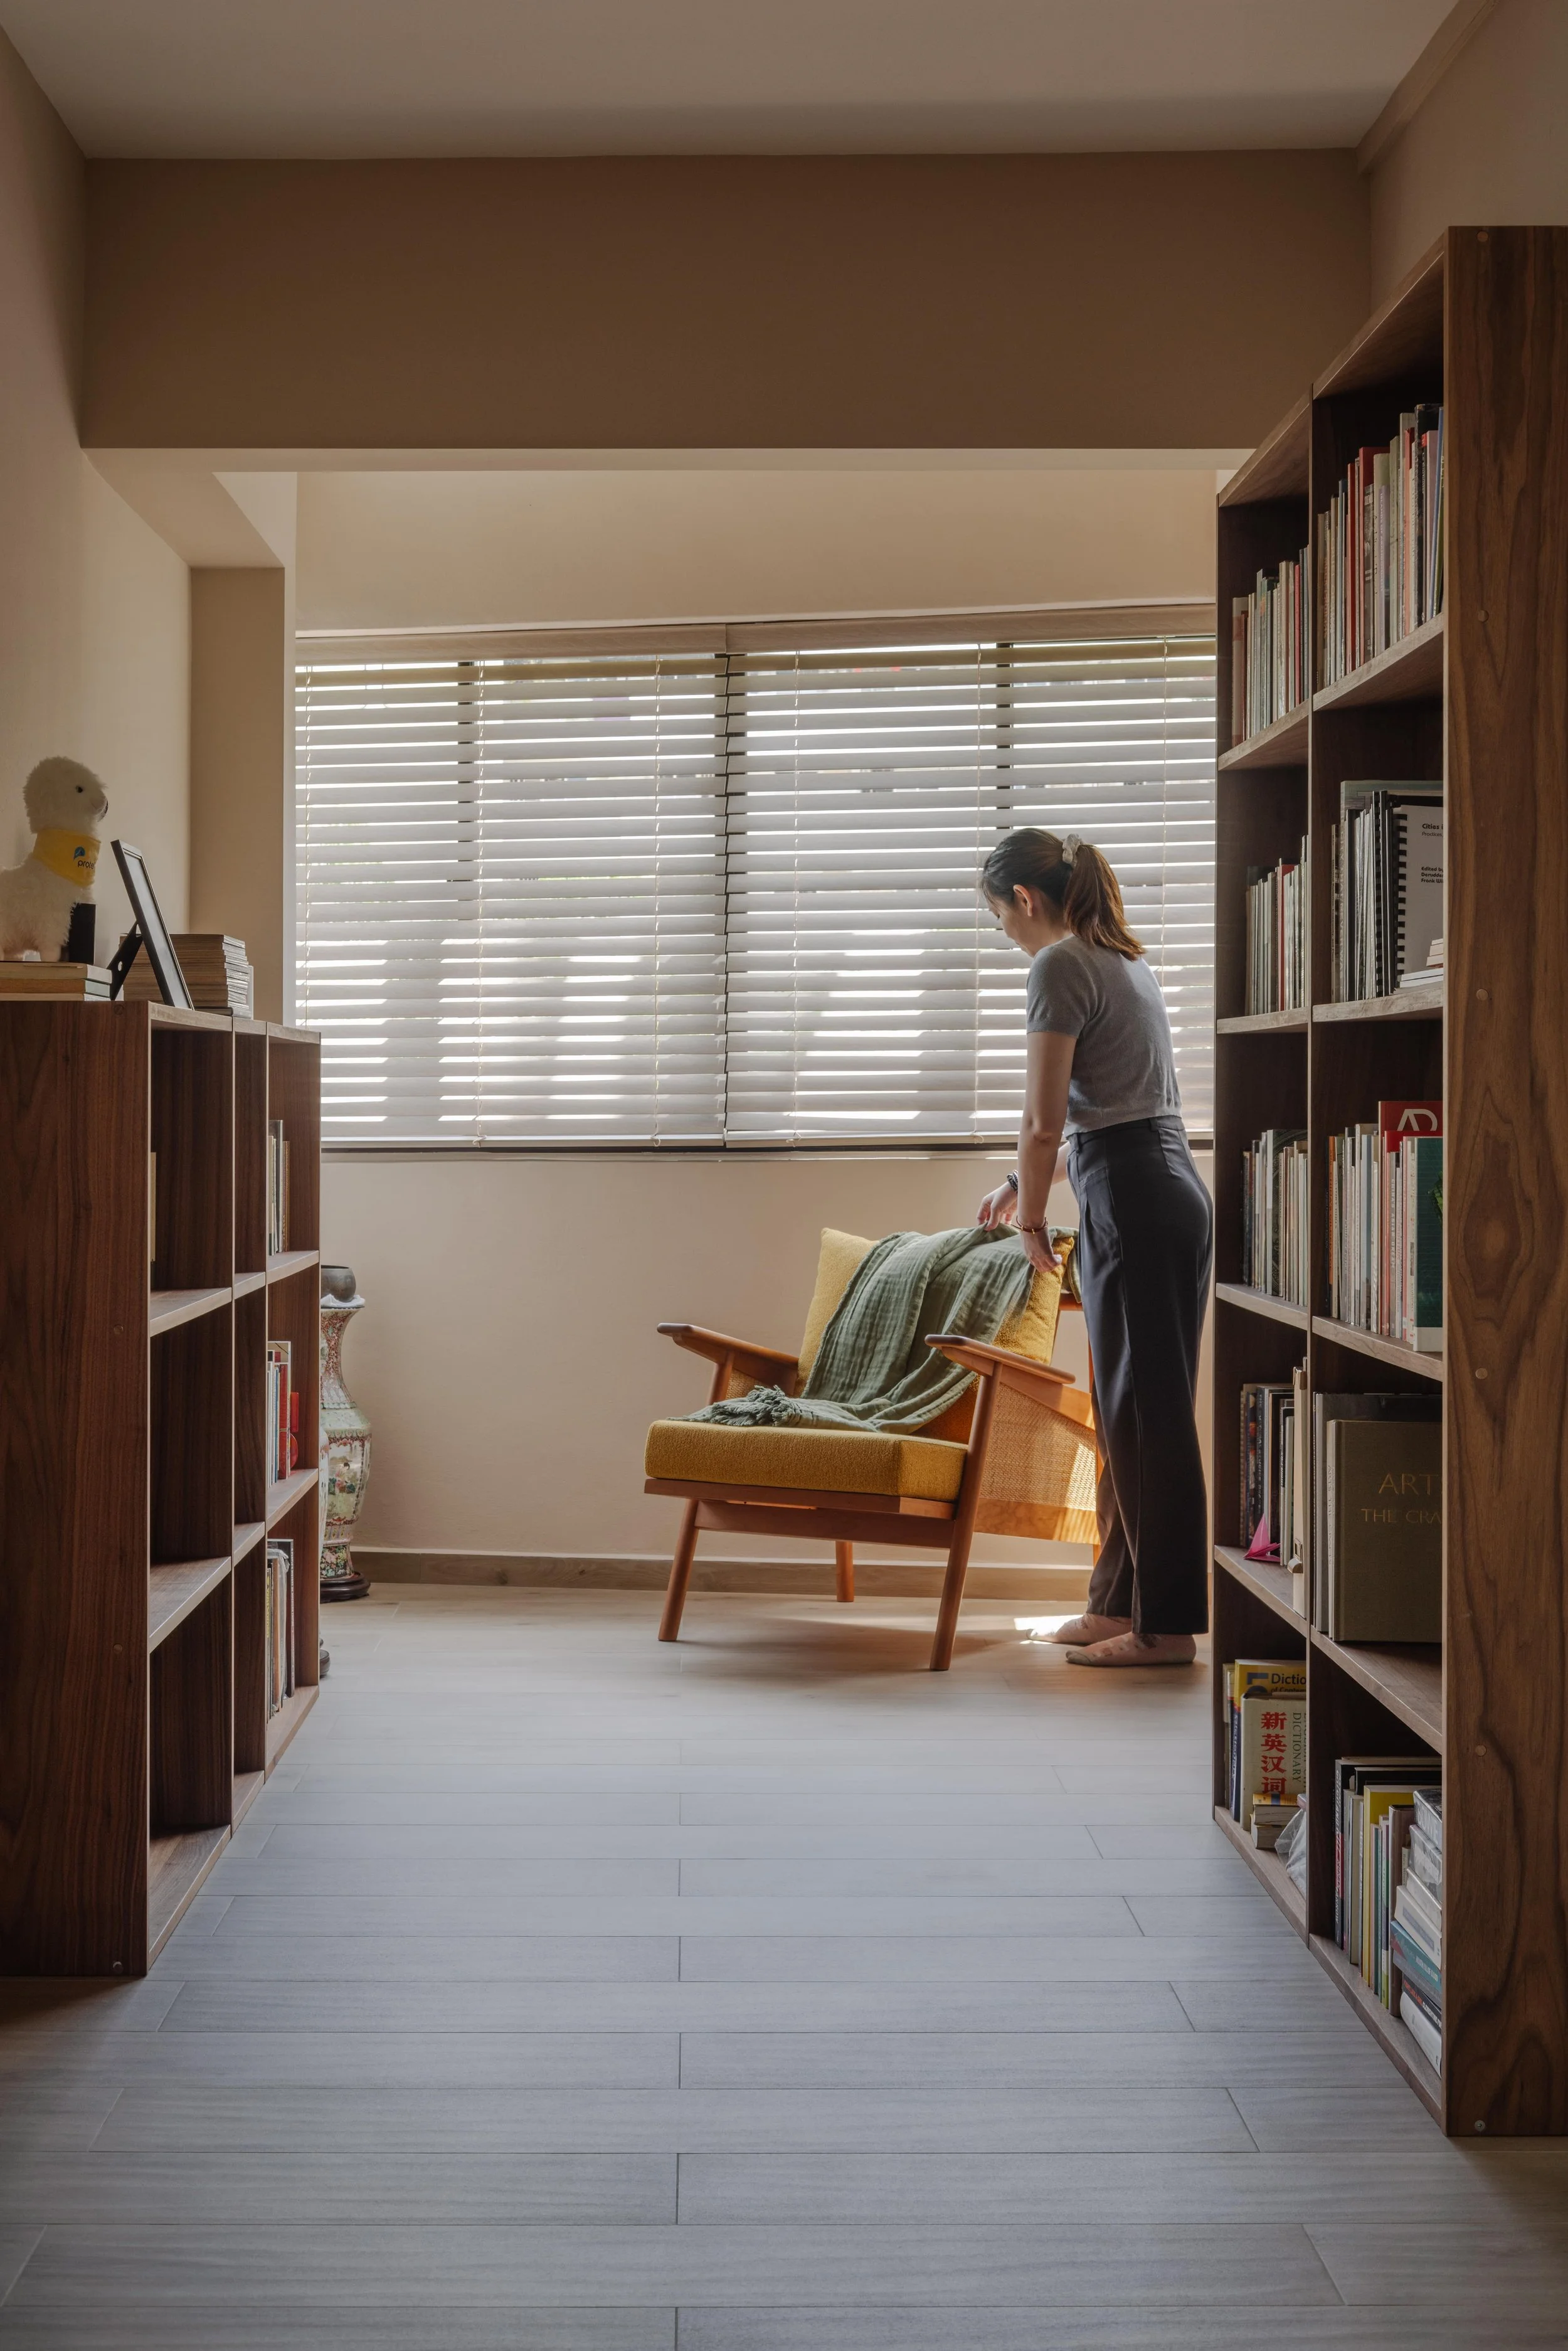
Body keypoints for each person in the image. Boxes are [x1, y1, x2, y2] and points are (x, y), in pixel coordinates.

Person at [975, 827, 1212, 1666]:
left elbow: (1048, 1121)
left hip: (1135, 1196)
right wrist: (1020, 1186)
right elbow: (1114, 1112)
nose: (1004, 931)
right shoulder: (1120, 959)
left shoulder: (1059, 965)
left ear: (1027, 901)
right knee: (1128, 1413)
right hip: (1155, 1182)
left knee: (1145, 1417)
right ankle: (1117, 1605)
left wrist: (1034, 1215)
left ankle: (1167, 1627)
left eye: (1000, 915)